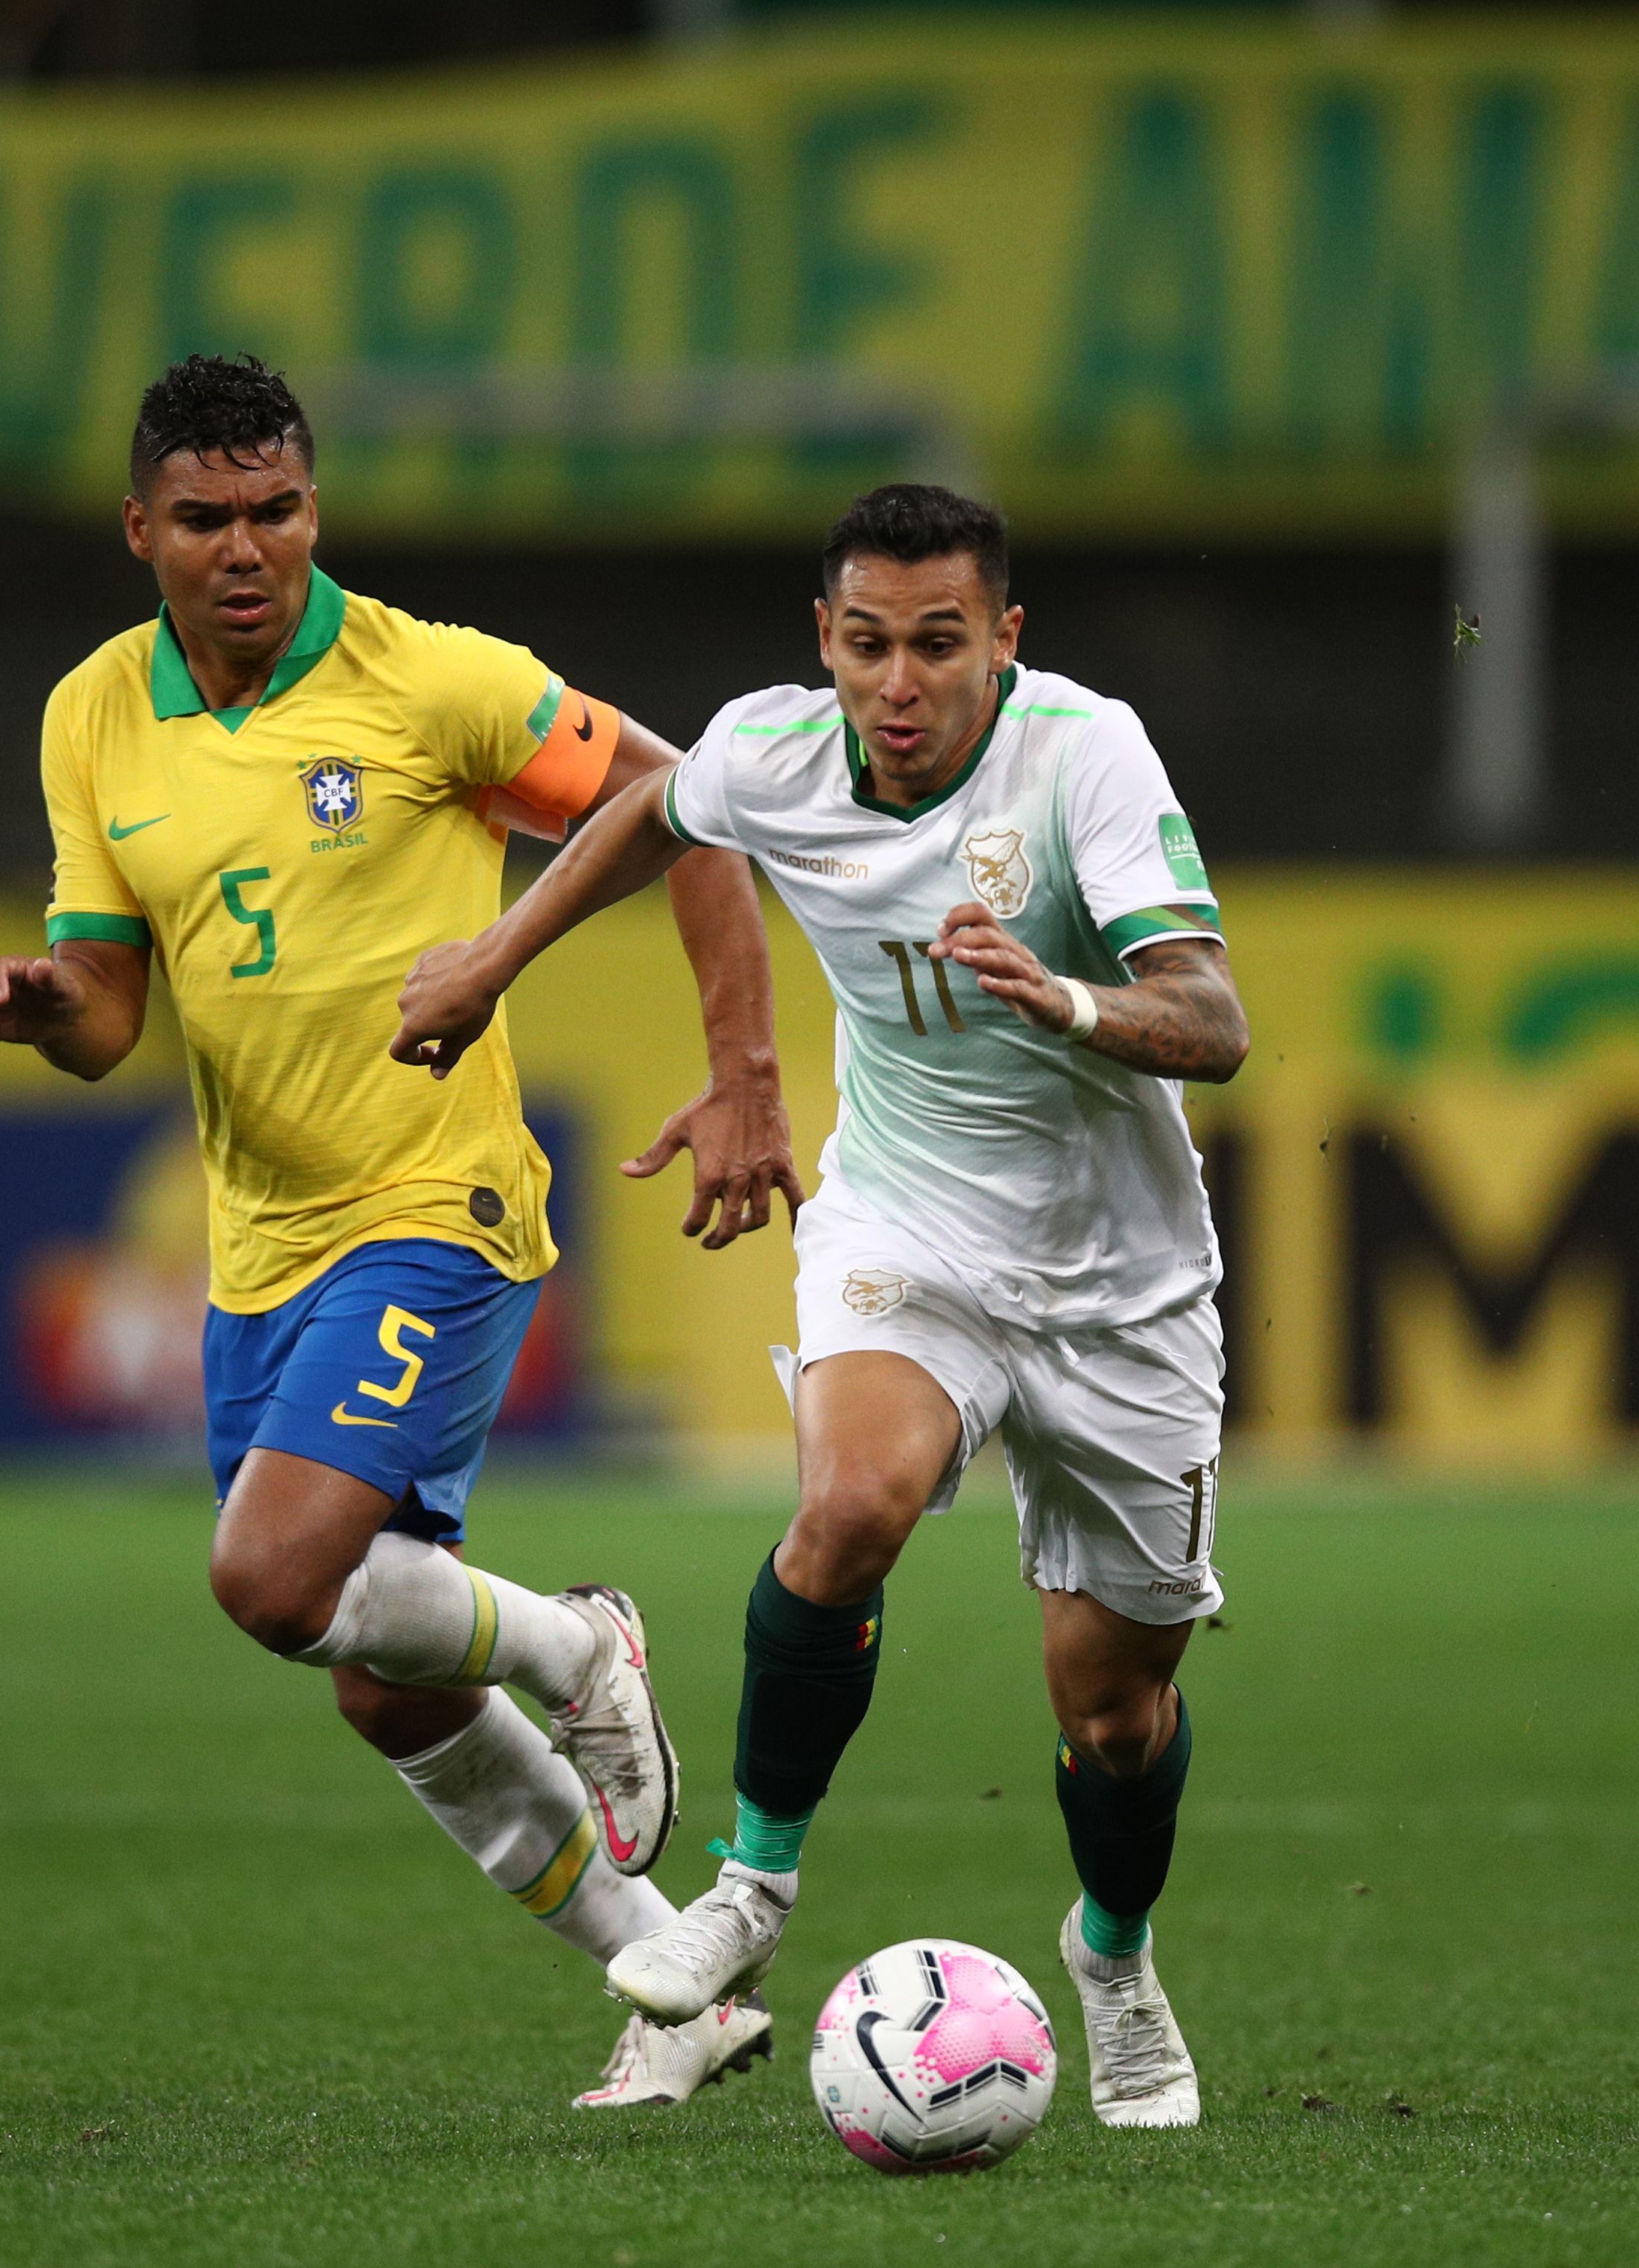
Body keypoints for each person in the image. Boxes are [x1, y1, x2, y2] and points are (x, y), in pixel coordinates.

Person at [0, 355, 801, 2108]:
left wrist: (741, 1075)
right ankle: (677, 1990)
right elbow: (109, 1013)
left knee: (268, 1578)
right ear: (139, 529)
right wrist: (49, 1008)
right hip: (257, 1246)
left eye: (276, 510)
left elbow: (693, 803)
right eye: (206, 517)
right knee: (374, 1677)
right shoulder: (92, 713)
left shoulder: (433, 682)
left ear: (313, 511)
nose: (245, 547)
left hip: (436, 1207)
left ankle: (579, 1644)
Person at [393, 483, 1246, 2132]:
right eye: (867, 644)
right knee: (848, 1506)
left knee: (1113, 1713)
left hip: (1121, 1287)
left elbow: (1209, 1018)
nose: (899, 684)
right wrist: (496, 958)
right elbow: (652, 813)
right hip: (907, 1226)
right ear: (824, 641)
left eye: (939, 644)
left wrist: (1066, 997)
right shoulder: (772, 748)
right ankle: (752, 1888)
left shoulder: (1083, 755)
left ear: (1005, 639)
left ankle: (1114, 1954)